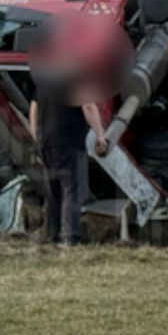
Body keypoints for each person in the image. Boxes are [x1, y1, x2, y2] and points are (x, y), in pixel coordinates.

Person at [30, 93, 107, 245]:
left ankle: (53, 235)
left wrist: (37, 140)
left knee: (54, 193)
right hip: (69, 142)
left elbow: (34, 109)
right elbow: (88, 106)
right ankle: (71, 237)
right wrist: (100, 135)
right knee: (72, 191)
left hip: (46, 144)